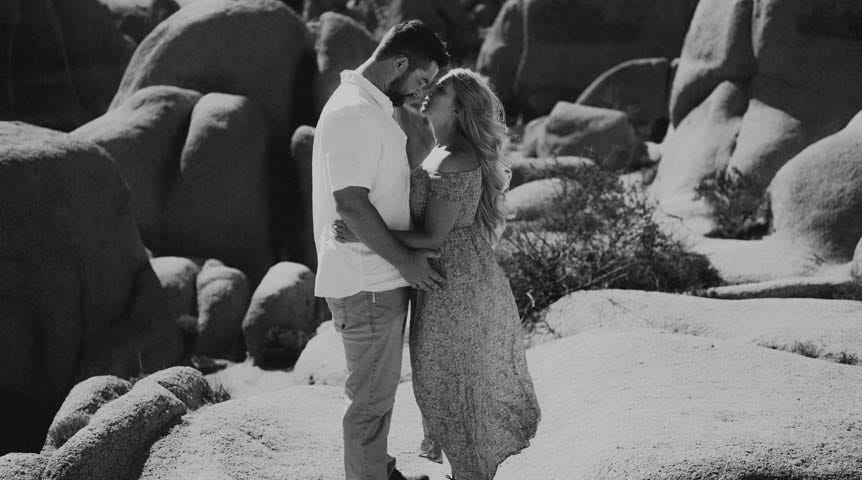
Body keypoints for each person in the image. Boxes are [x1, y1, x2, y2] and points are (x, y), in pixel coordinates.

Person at [334, 69, 541, 480]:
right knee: (443, 387)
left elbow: (431, 236)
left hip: (457, 289)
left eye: (440, 88)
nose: (428, 91)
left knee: (451, 388)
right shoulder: (442, 149)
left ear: (459, 106)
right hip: (446, 283)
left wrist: (364, 231)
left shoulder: (456, 156)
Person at [311, 19, 450, 480]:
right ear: (401, 63)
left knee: (377, 394)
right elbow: (350, 204)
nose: (423, 93)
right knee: (369, 404)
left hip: (375, 276)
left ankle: (379, 470)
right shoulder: (353, 111)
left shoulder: (372, 107)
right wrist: (408, 261)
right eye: (422, 80)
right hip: (367, 281)